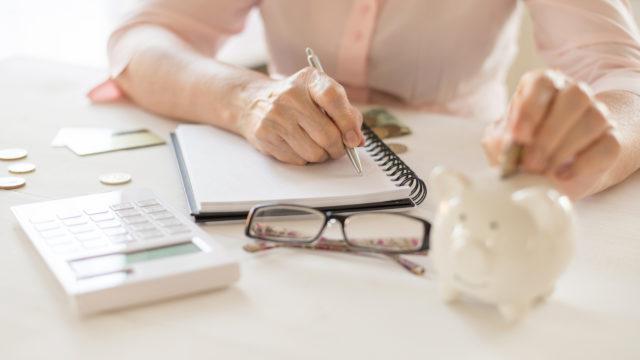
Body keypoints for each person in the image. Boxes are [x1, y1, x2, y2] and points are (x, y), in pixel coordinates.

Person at [99, 0, 640, 199]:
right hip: (281, 183)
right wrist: (245, 97)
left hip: (458, 190)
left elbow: (624, 75)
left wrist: (601, 136)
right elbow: (145, 37)